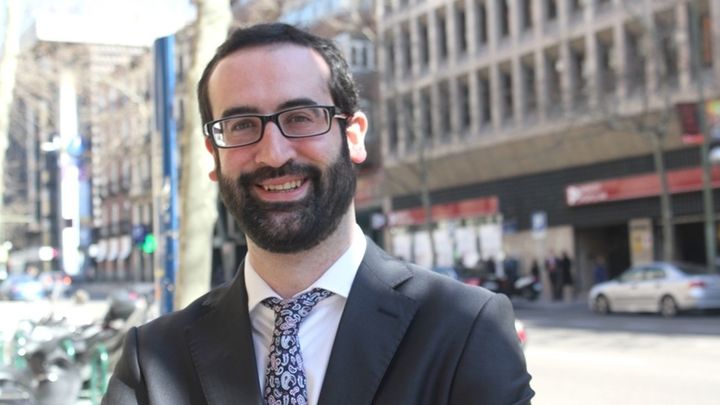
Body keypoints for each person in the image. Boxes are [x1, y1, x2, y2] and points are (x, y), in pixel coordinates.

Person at [103, 23, 533, 405]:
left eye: (301, 118)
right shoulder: (153, 359)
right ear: (213, 155)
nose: (273, 154)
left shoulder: (464, 328)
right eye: (242, 125)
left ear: (353, 136)